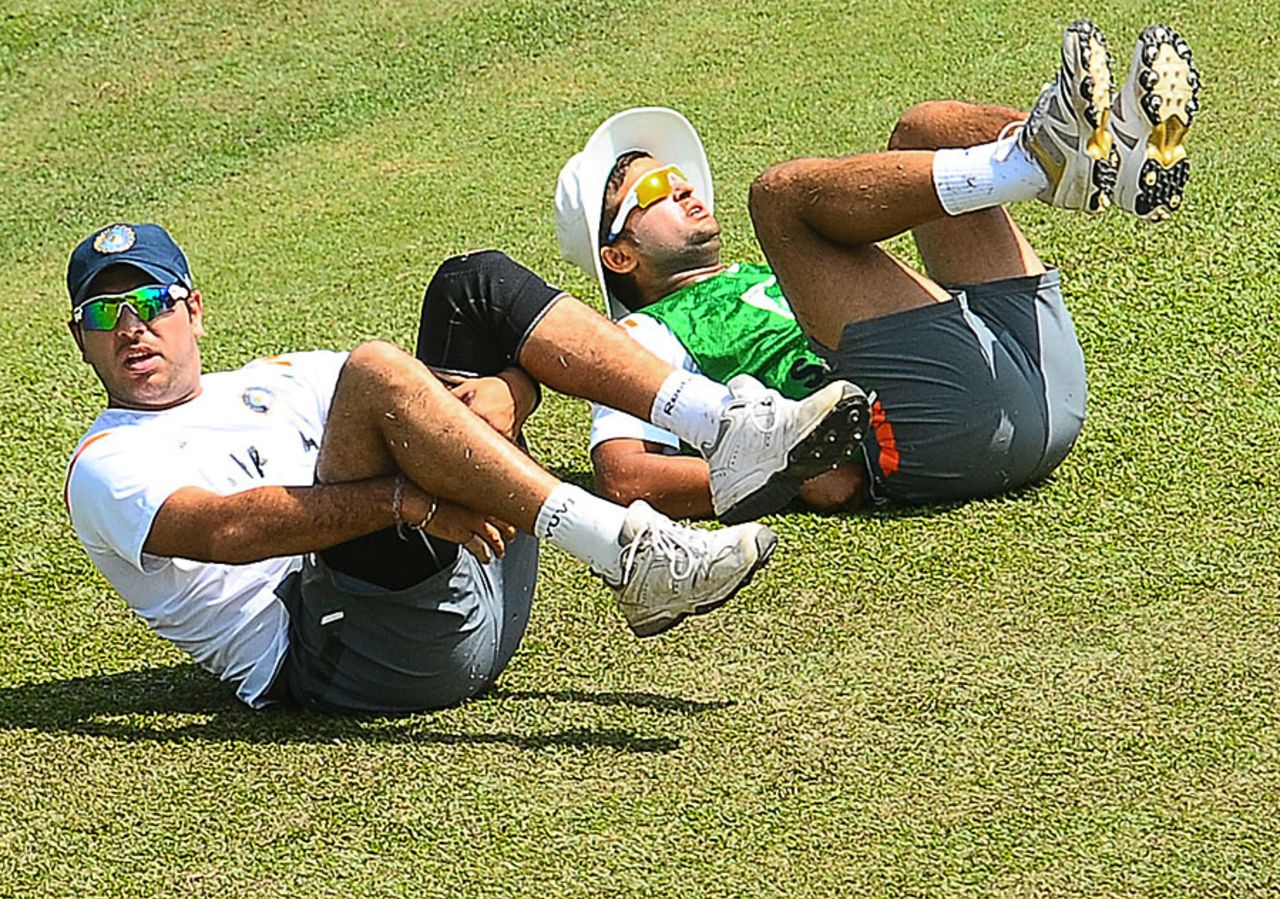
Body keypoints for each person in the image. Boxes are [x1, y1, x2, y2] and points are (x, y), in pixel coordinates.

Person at [63, 222, 870, 713]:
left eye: (153, 301)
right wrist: (404, 502)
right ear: (83, 339)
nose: (133, 327)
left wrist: (506, 393)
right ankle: (627, 551)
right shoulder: (107, 461)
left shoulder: (274, 377)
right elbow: (226, 527)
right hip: (341, 653)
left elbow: (435, 410)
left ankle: (722, 429)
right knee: (376, 371)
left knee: (472, 287)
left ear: (193, 308)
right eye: (105, 314)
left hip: (469, 567)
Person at [554, 21, 1199, 517]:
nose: (686, 190)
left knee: (925, 129)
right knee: (778, 200)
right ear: (619, 256)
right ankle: (1041, 162)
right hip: (944, 435)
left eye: (679, 178)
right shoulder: (641, 336)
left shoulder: (758, 276)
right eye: (653, 194)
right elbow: (624, 476)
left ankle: (1090, 149)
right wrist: (793, 473)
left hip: (1035, 373)